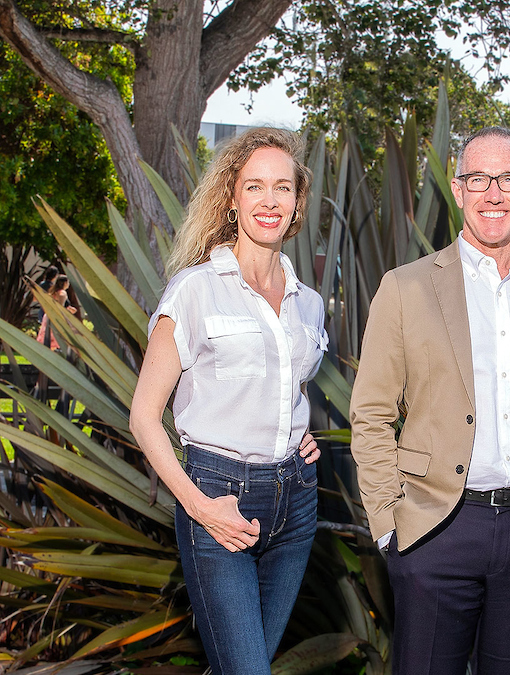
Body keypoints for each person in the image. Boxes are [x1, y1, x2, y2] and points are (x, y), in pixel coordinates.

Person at [349, 126, 510, 675]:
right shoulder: (406, 287)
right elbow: (371, 415)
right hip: (434, 530)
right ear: (457, 187)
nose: (494, 192)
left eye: (509, 178)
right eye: (478, 178)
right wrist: (388, 524)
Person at [129, 128, 328, 675]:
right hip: (218, 497)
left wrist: (295, 430)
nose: (270, 200)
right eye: (255, 186)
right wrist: (200, 507)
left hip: (297, 501)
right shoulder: (194, 291)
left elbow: (287, 384)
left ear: (297, 203)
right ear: (232, 198)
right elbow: (144, 417)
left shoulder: (308, 304)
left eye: (282, 188)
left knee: (246, 665)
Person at [36, 274, 76, 351]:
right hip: (56, 317)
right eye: (68, 282)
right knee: (55, 338)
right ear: (65, 283)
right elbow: (59, 307)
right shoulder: (62, 293)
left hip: (48, 315)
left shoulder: (53, 291)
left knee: (48, 338)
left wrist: (68, 308)